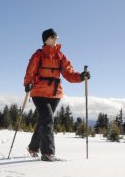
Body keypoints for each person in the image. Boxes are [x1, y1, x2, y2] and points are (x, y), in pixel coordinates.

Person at [24, 28, 90, 161]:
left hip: (55, 94)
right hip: (38, 92)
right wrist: (27, 84)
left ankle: (33, 147)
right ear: (46, 39)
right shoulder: (38, 55)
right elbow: (30, 72)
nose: (56, 40)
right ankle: (48, 153)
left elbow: (69, 74)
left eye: (56, 38)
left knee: (44, 120)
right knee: (47, 118)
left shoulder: (60, 56)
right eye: (53, 37)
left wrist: (81, 77)